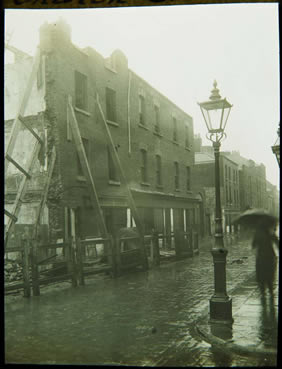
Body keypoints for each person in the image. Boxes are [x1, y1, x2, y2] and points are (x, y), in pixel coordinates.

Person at [252, 223, 279, 308]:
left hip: (260, 257)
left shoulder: (257, 233)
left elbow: (253, 245)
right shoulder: (270, 232)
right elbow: (277, 243)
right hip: (270, 256)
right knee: (270, 274)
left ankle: (263, 293)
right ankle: (271, 292)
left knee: (261, 274)